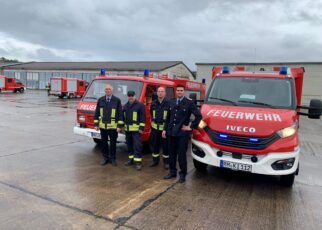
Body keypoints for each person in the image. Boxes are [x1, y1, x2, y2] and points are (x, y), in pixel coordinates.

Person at [163, 84, 202, 183]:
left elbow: (198, 116)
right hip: (171, 133)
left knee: (181, 156)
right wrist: (164, 129)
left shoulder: (189, 103)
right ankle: (172, 172)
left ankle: (183, 174)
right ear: (176, 91)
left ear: (184, 91)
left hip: (182, 134)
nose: (179, 92)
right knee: (171, 154)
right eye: (178, 90)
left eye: (181, 90)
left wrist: (190, 127)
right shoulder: (171, 102)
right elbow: (168, 118)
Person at [94, 84, 123, 166]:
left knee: (113, 144)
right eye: (106, 89)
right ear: (104, 90)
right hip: (103, 127)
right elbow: (97, 113)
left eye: (109, 89)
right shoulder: (101, 100)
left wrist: (119, 126)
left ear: (112, 90)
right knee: (104, 143)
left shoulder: (117, 100)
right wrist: (96, 124)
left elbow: (120, 114)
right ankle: (105, 158)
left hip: (113, 128)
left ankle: (113, 158)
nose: (107, 90)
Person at [123, 90, 146, 171]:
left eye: (132, 95)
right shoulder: (125, 106)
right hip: (128, 130)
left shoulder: (140, 105)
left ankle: (138, 163)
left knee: (137, 146)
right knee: (129, 146)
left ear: (135, 96)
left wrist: (141, 128)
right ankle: (131, 160)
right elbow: (123, 118)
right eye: (129, 95)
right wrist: (122, 127)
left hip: (136, 131)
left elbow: (143, 117)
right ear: (127, 96)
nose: (131, 97)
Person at [149, 86, 170, 169]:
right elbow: (151, 113)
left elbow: (170, 117)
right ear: (157, 93)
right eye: (159, 91)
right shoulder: (153, 103)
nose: (160, 93)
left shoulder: (168, 103)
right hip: (155, 129)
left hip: (165, 130)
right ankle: (155, 161)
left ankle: (166, 162)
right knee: (155, 145)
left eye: (162, 91)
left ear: (165, 93)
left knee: (166, 146)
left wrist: (166, 128)